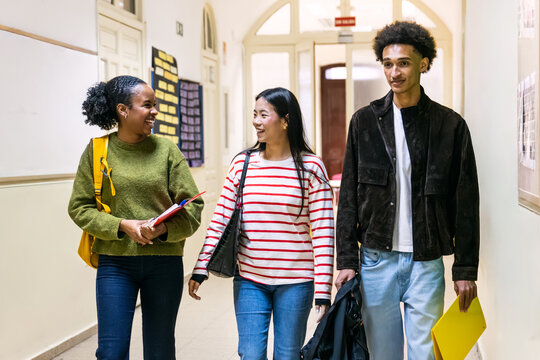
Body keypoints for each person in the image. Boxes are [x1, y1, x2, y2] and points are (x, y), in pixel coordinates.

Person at [334, 21, 480, 360]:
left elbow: (466, 201)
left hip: (425, 261)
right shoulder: (364, 122)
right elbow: (350, 198)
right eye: (387, 63)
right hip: (375, 261)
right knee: (382, 354)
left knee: (425, 354)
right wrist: (346, 260)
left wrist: (465, 270)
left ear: (423, 64)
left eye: (403, 63)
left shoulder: (450, 126)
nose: (394, 72)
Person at [188, 87, 334, 360]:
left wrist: (323, 292)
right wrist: (200, 268)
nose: (256, 121)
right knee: (251, 355)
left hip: (296, 281)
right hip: (250, 279)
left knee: (287, 356)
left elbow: (324, 232)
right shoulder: (242, 165)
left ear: (285, 120)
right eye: (254, 114)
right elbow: (220, 220)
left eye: (263, 114)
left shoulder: (311, 168)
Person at [68, 75, 203, 360]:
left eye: (155, 105)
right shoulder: (96, 151)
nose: (155, 111)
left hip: (163, 264)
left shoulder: (167, 151)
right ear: (123, 110)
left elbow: (193, 207)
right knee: (111, 352)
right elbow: (80, 207)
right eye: (147, 105)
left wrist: (163, 229)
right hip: (115, 264)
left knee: (159, 350)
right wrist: (121, 226)